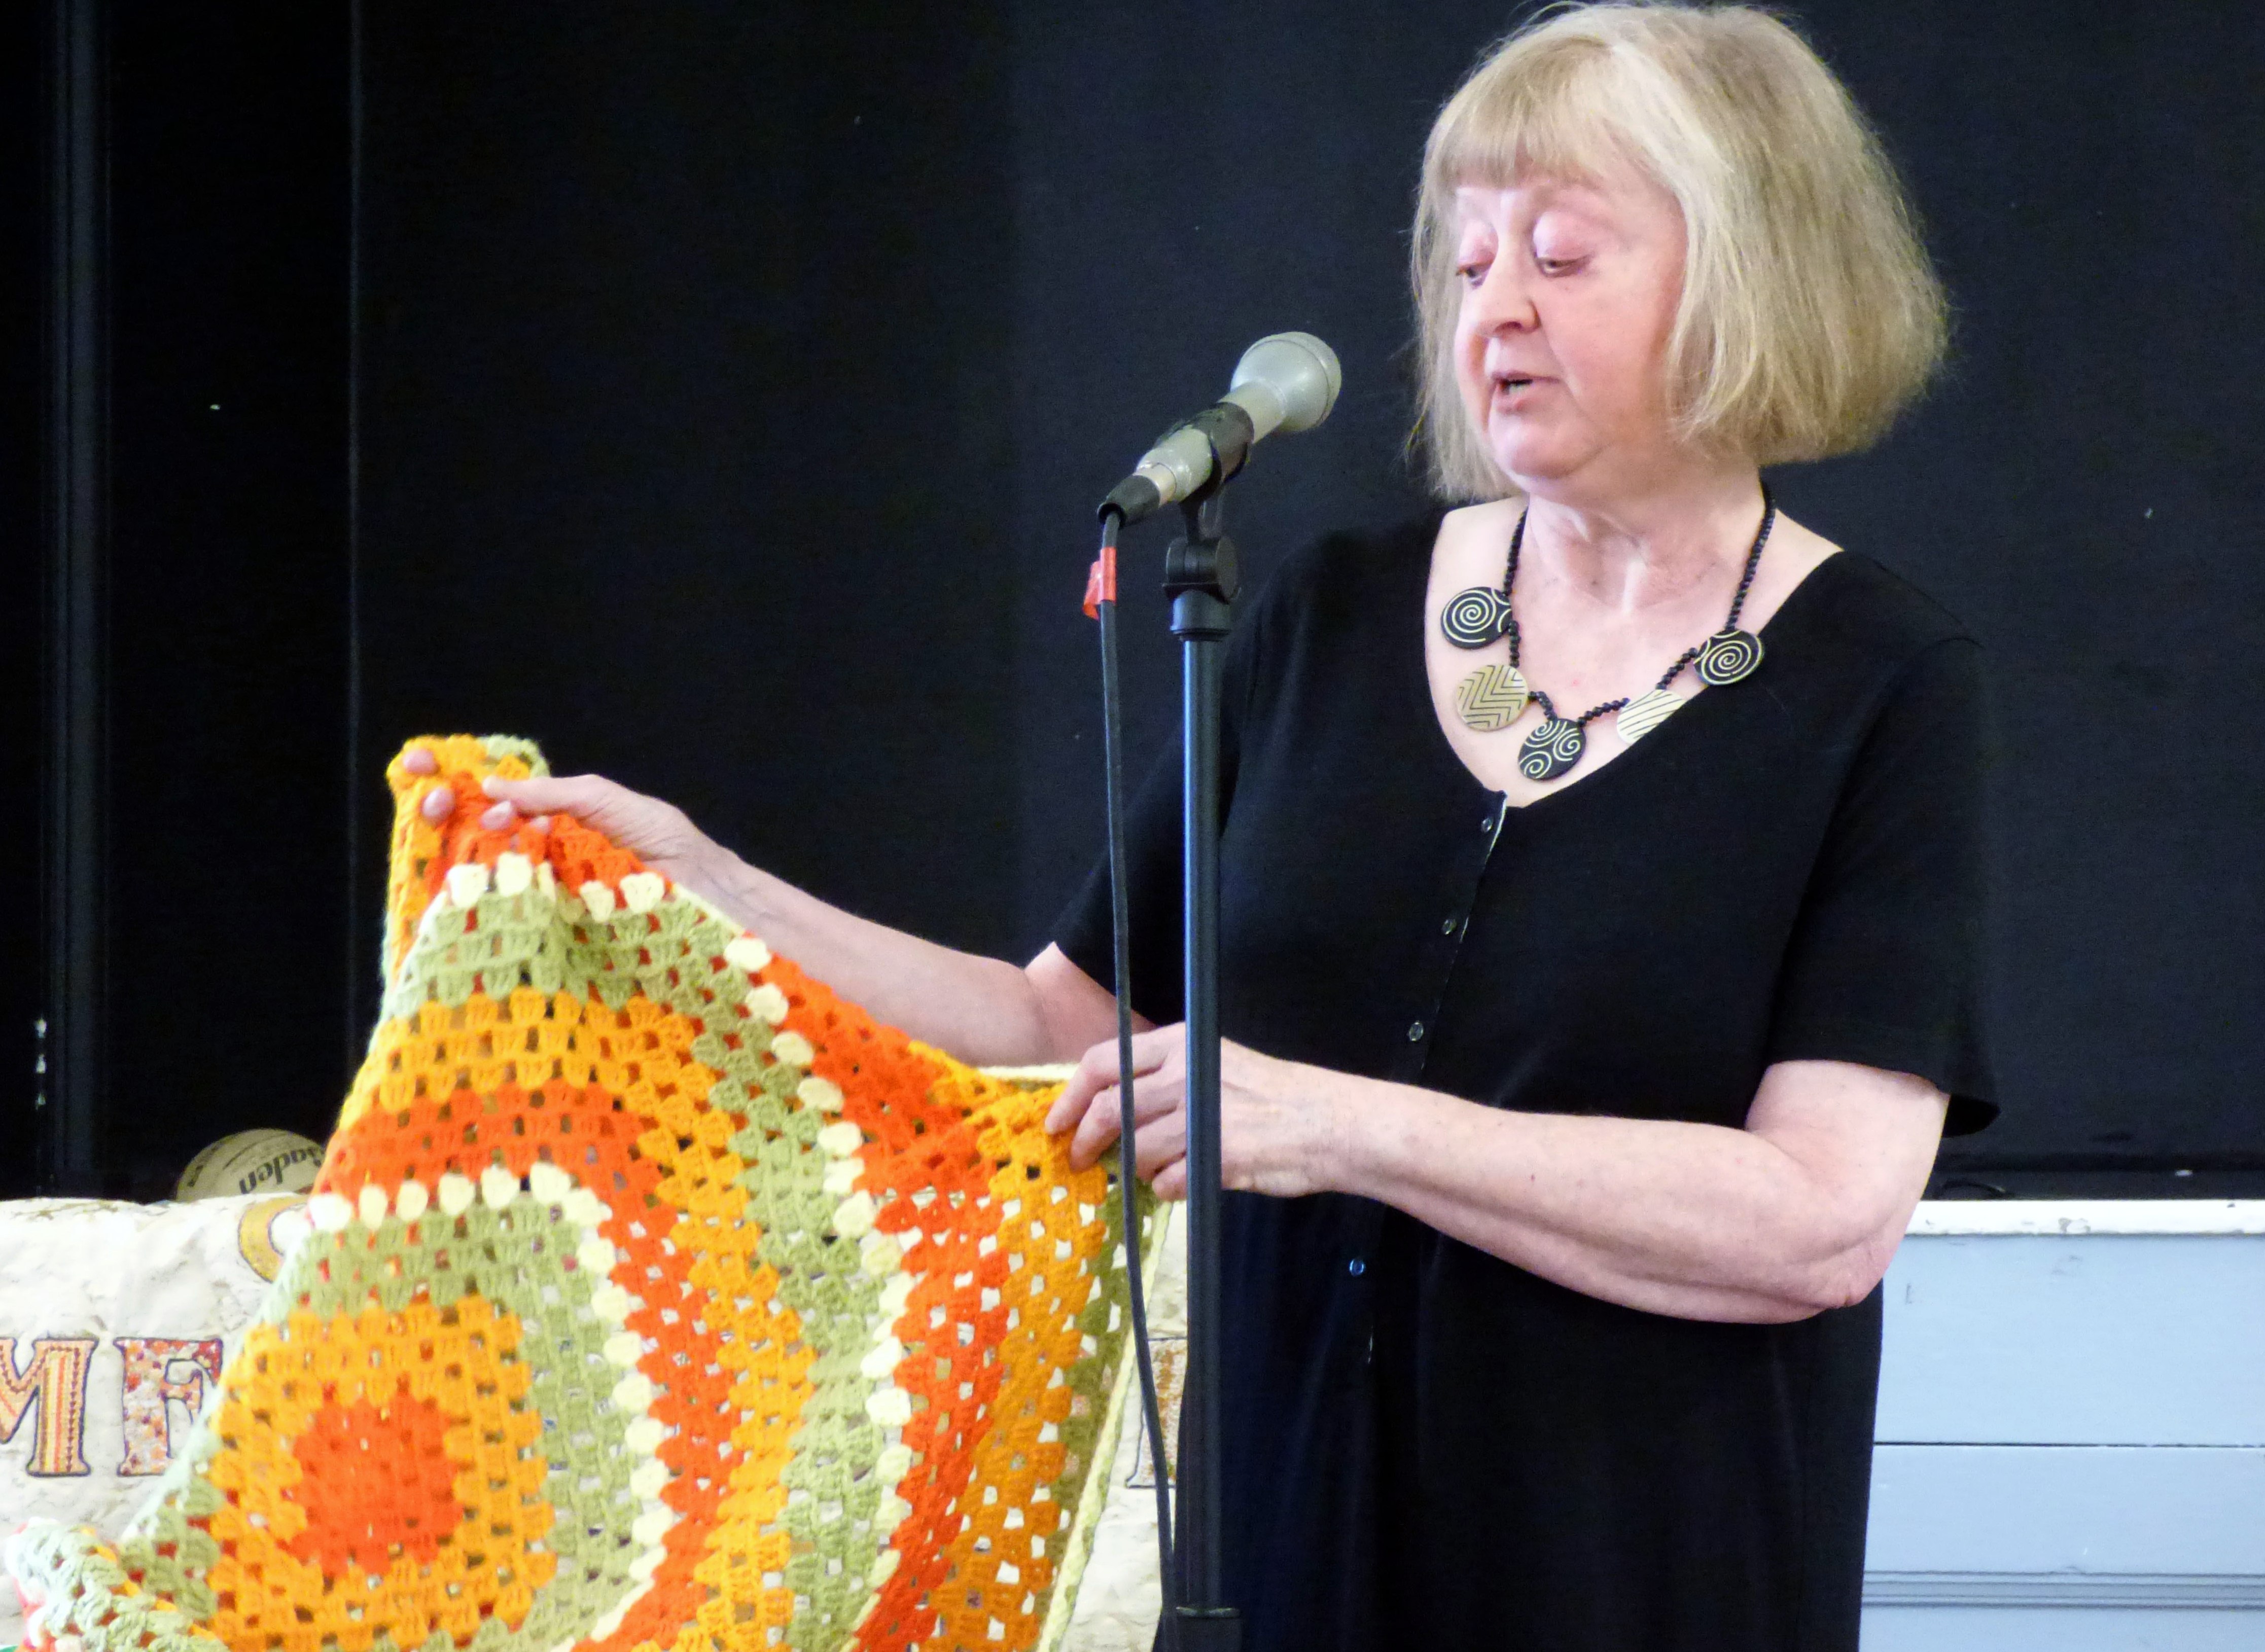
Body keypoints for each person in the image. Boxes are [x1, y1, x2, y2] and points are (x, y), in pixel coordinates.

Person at [441, 5, 1993, 1646]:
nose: (1494, 310)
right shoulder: (1328, 617)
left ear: (1747, 274)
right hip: (1283, 1546)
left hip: (1645, 1569)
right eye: (1468, 262)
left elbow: (1819, 1219)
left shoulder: (1880, 679)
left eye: (1558, 255)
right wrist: (708, 882)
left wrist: (1341, 1125)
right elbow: (1061, 1027)